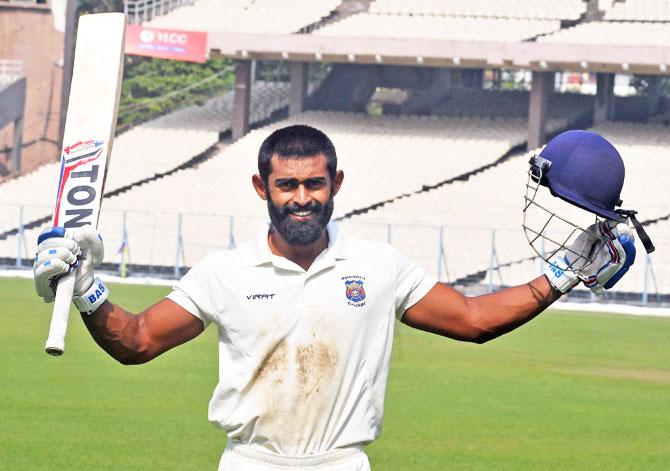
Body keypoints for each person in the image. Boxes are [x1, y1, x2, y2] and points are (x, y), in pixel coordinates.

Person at [33, 125, 634, 470]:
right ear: (261, 188)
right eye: (286, 185)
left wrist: (561, 275)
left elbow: (474, 320)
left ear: (335, 184)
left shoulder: (377, 265)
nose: (301, 198)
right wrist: (86, 291)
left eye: (314, 184)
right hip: (252, 464)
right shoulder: (225, 271)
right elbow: (136, 341)